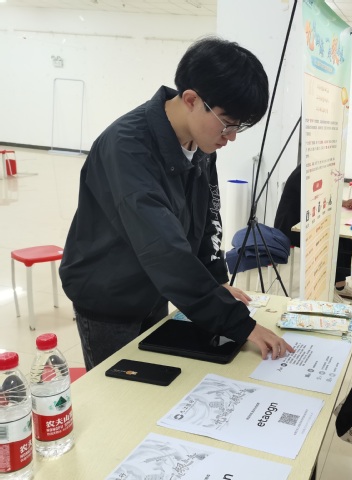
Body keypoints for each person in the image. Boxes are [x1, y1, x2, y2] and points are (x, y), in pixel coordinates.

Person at [60, 37, 294, 370]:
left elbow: (207, 218)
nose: (231, 136)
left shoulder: (201, 143)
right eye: (227, 123)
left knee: (160, 384)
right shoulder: (128, 148)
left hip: (156, 287)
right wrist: (241, 325)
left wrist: (217, 281)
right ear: (191, 100)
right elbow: (163, 248)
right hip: (109, 298)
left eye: (239, 127)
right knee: (123, 389)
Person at [274, 163, 352, 301]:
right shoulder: (304, 174)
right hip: (291, 227)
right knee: (333, 239)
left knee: (345, 237)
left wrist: (343, 202)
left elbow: (323, 198)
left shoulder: (313, 170)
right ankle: (327, 290)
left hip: (305, 223)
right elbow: (316, 200)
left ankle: (339, 285)